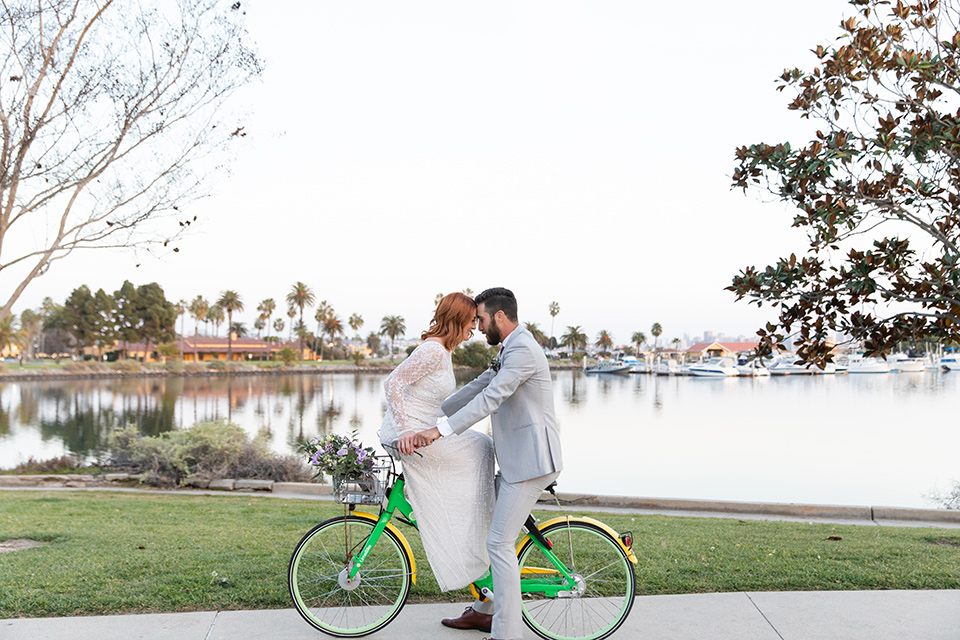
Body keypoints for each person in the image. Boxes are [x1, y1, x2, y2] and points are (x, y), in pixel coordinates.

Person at [417, 287, 564, 640]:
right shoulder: (510, 348)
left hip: (531, 463)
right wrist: (433, 412)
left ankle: (506, 633)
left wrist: (441, 430)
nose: (478, 326)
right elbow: (482, 384)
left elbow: (492, 397)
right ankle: (485, 609)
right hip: (517, 460)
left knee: (498, 543)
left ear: (499, 316)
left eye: (481, 319)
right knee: (485, 527)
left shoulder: (523, 350)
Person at [378, 292, 496, 598]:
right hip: (412, 434)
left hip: (425, 428)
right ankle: (470, 534)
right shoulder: (432, 351)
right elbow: (392, 384)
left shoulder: (444, 350)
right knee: (482, 447)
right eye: (472, 321)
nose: (475, 327)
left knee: (482, 446)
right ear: (458, 319)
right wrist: (405, 430)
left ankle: (473, 529)